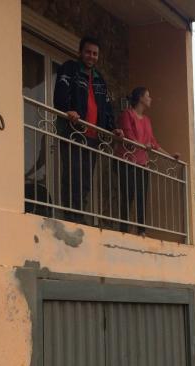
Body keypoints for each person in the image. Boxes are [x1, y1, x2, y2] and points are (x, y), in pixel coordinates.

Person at [53, 36, 123, 222]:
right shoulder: (70, 68)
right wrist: (67, 109)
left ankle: (79, 213)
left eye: (95, 53)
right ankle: (70, 215)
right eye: (88, 52)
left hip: (92, 136)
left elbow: (106, 107)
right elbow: (60, 94)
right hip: (73, 131)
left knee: (85, 180)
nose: (91, 56)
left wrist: (113, 128)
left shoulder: (100, 80)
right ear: (80, 52)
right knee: (72, 175)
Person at [117, 87, 179, 234]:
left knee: (141, 197)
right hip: (127, 160)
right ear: (140, 98)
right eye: (148, 96)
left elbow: (153, 143)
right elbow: (128, 135)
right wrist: (144, 145)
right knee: (128, 195)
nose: (150, 99)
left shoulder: (147, 120)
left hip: (142, 163)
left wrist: (171, 156)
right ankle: (124, 228)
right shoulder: (127, 114)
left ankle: (141, 230)